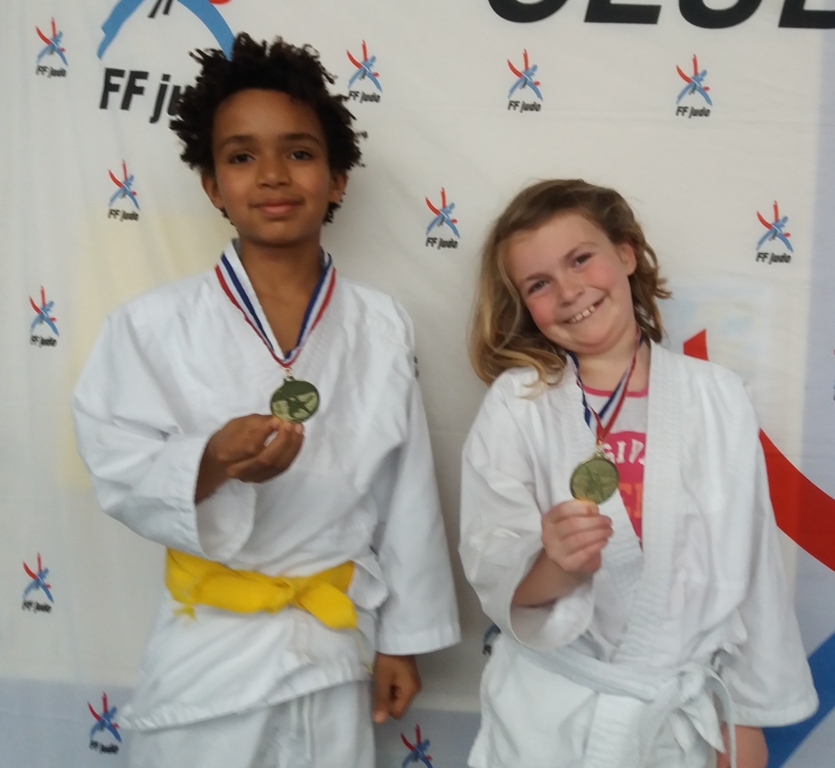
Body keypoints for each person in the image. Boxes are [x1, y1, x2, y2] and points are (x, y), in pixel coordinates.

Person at [72, 33, 459, 768]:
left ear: (337, 178)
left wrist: (403, 640)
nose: (273, 175)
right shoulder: (150, 325)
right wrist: (210, 461)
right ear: (212, 185)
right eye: (242, 156)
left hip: (333, 642)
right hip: (207, 647)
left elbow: (406, 488)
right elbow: (117, 463)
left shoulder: (380, 324)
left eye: (299, 153)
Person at [459, 179, 817, 768]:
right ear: (523, 305)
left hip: (676, 716)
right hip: (550, 713)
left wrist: (746, 716)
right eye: (539, 284)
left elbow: (752, 564)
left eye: (581, 259)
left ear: (626, 253)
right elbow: (493, 563)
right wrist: (554, 564)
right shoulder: (519, 402)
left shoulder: (717, 396)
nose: (569, 291)